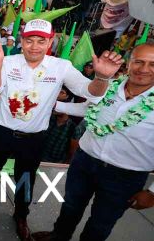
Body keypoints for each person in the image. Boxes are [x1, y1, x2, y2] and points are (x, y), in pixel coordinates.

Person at [0, 19, 123, 241]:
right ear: (22, 42)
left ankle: (21, 215)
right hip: (2, 131)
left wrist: (101, 77)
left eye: (41, 41)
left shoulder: (61, 67)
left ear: (50, 42)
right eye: (29, 40)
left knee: (26, 178)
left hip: (33, 138)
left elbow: (91, 92)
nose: (34, 46)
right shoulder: (7, 61)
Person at [33, 43, 154, 241]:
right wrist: (49, 104)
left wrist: (152, 192)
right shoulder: (109, 86)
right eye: (139, 62)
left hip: (125, 177)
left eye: (152, 64)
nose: (144, 69)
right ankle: (58, 236)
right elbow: (88, 110)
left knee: (101, 223)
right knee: (70, 206)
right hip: (84, 162)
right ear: (129, 64)